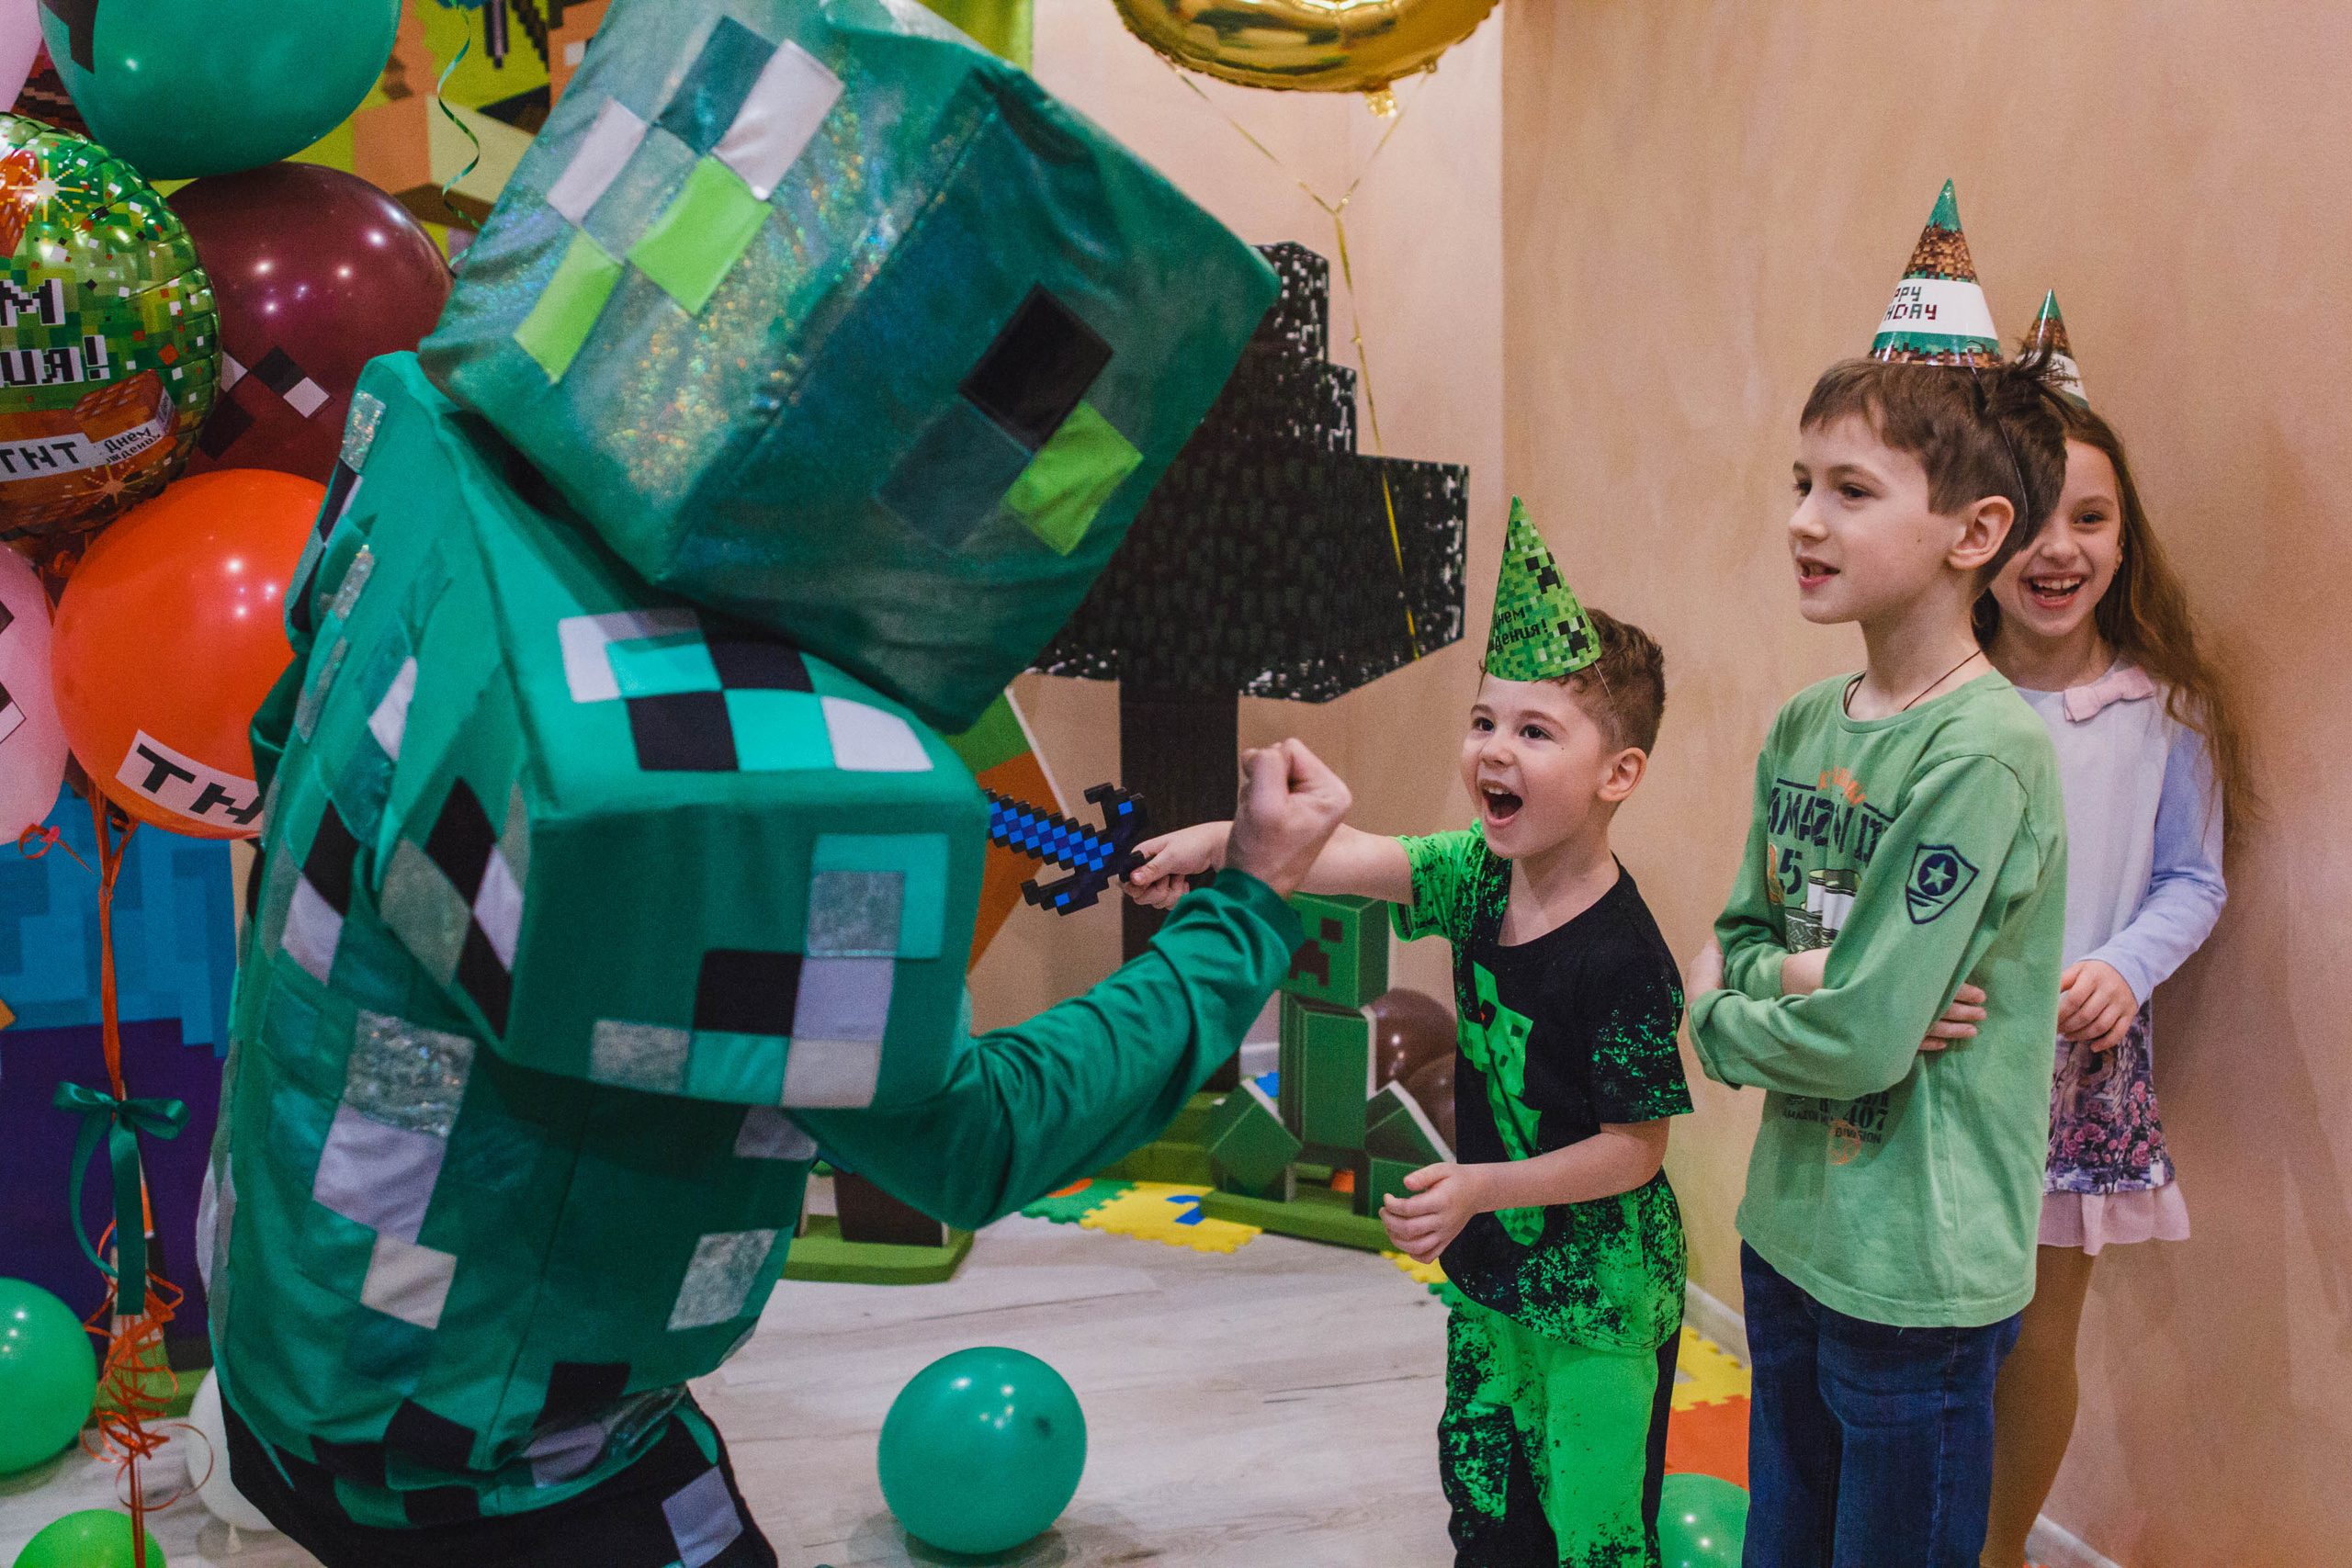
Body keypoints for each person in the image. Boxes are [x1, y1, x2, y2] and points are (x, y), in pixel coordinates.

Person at [1129, 502, 1692, 1566]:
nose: (1494, 749)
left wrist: (1478, 1185)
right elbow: (1354, 857)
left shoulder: (1621, 960)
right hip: (1491, 1273)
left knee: (1593, 1532)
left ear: (1617, 775)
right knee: (1482, 1503)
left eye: (1535, 732)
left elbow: (1638, 1147)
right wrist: (1217, 844)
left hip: (1598, 1297)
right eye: (1485, 722)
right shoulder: (1476, 875)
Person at [1681, 183, 2072, 1566]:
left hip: (1917, 1272)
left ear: (1972, 535)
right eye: (1802, 481)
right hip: (1786, 1229)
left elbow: (1856, 1032)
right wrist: (1781, 988)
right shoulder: (1802, 725)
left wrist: (1738, 1010)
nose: (1805, 517)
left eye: (1851, 489)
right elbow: (1747, 943)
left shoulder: (1985, 754)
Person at [1974, 298, 2241, 1568]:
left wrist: (2123, 969)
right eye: (2025, 517)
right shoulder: (1942, 705)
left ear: (2126, 538)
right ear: (1975, 535)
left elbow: (2195, 878)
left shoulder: (2164, 710)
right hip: (1935, 1056)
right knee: (1932, 1330)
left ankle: (1995, 1547)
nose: (2057, 546)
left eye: (2089, 516)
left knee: (2035, 1340)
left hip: (2071, 1074)